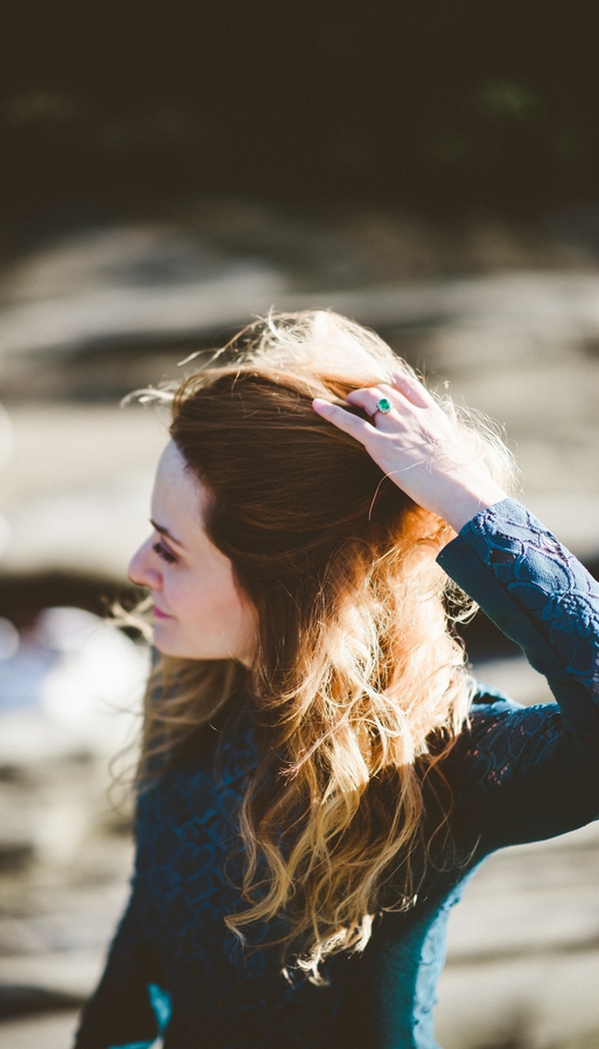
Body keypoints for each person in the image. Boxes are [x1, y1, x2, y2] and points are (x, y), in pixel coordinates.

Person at [73, 311, 599, 1049]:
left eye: (170, 549)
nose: (136, 567)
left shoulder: (438, 762)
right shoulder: (194, 698)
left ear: (284, 592)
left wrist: (473, 506)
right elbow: (137, 974)